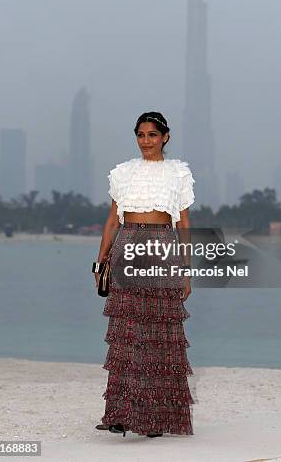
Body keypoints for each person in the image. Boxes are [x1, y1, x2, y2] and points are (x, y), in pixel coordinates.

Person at [94, 111, 196, 438]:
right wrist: (101, 262)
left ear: (165, 137)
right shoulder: (122, 173)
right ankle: (121, 415)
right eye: (141, 135)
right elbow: (112, 221)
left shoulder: (178, 173)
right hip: (126, 247)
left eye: (152, 135)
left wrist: (186, 270)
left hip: (162, 247)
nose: (146, 141)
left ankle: (155, 419)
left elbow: (183, 225)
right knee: (127, 334)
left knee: (158, 335)